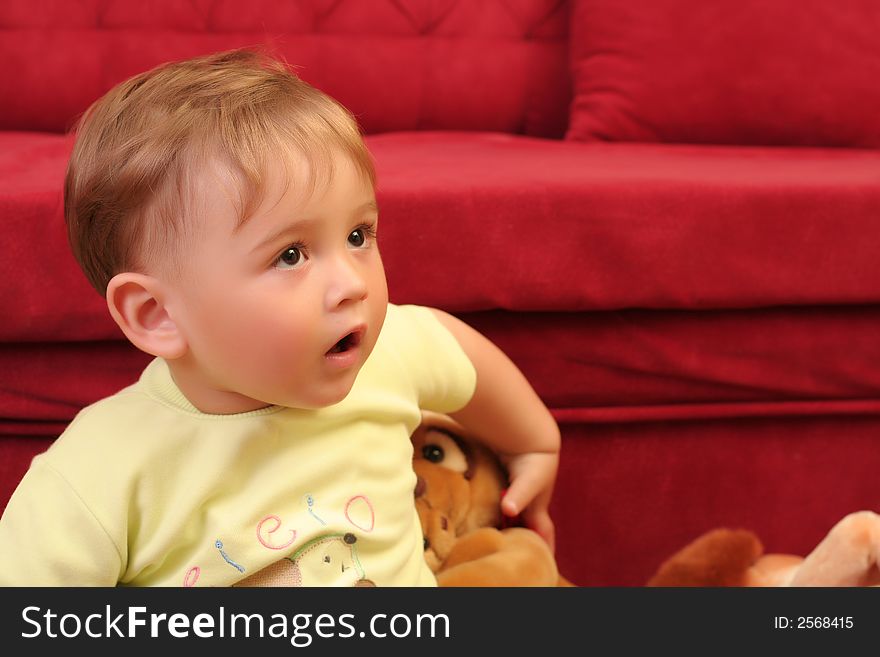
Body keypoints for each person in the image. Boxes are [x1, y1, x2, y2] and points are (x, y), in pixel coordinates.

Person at [0, 49, 560, 586]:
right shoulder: (98, 471)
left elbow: (455, 350)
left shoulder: (386, 356)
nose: (352, 284)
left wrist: (535, 443)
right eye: (290, 255)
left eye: (358, 236)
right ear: (158, 315)